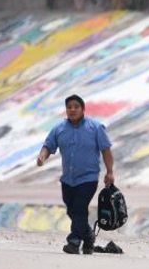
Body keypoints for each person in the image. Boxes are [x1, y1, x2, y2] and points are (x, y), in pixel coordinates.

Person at [36, 95, 114, 255]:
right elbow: (48, 146)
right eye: (69, 107)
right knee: (72, 211)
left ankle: (73, 241)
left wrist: (110, 172)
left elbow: (106, 150)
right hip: (68, 179)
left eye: (76, 107)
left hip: (88, 178)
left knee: (79, 207)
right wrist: (42, 156)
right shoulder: (59, 128)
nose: (72, 110)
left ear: (83, 109)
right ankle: (88, 236)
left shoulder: (96, 127)